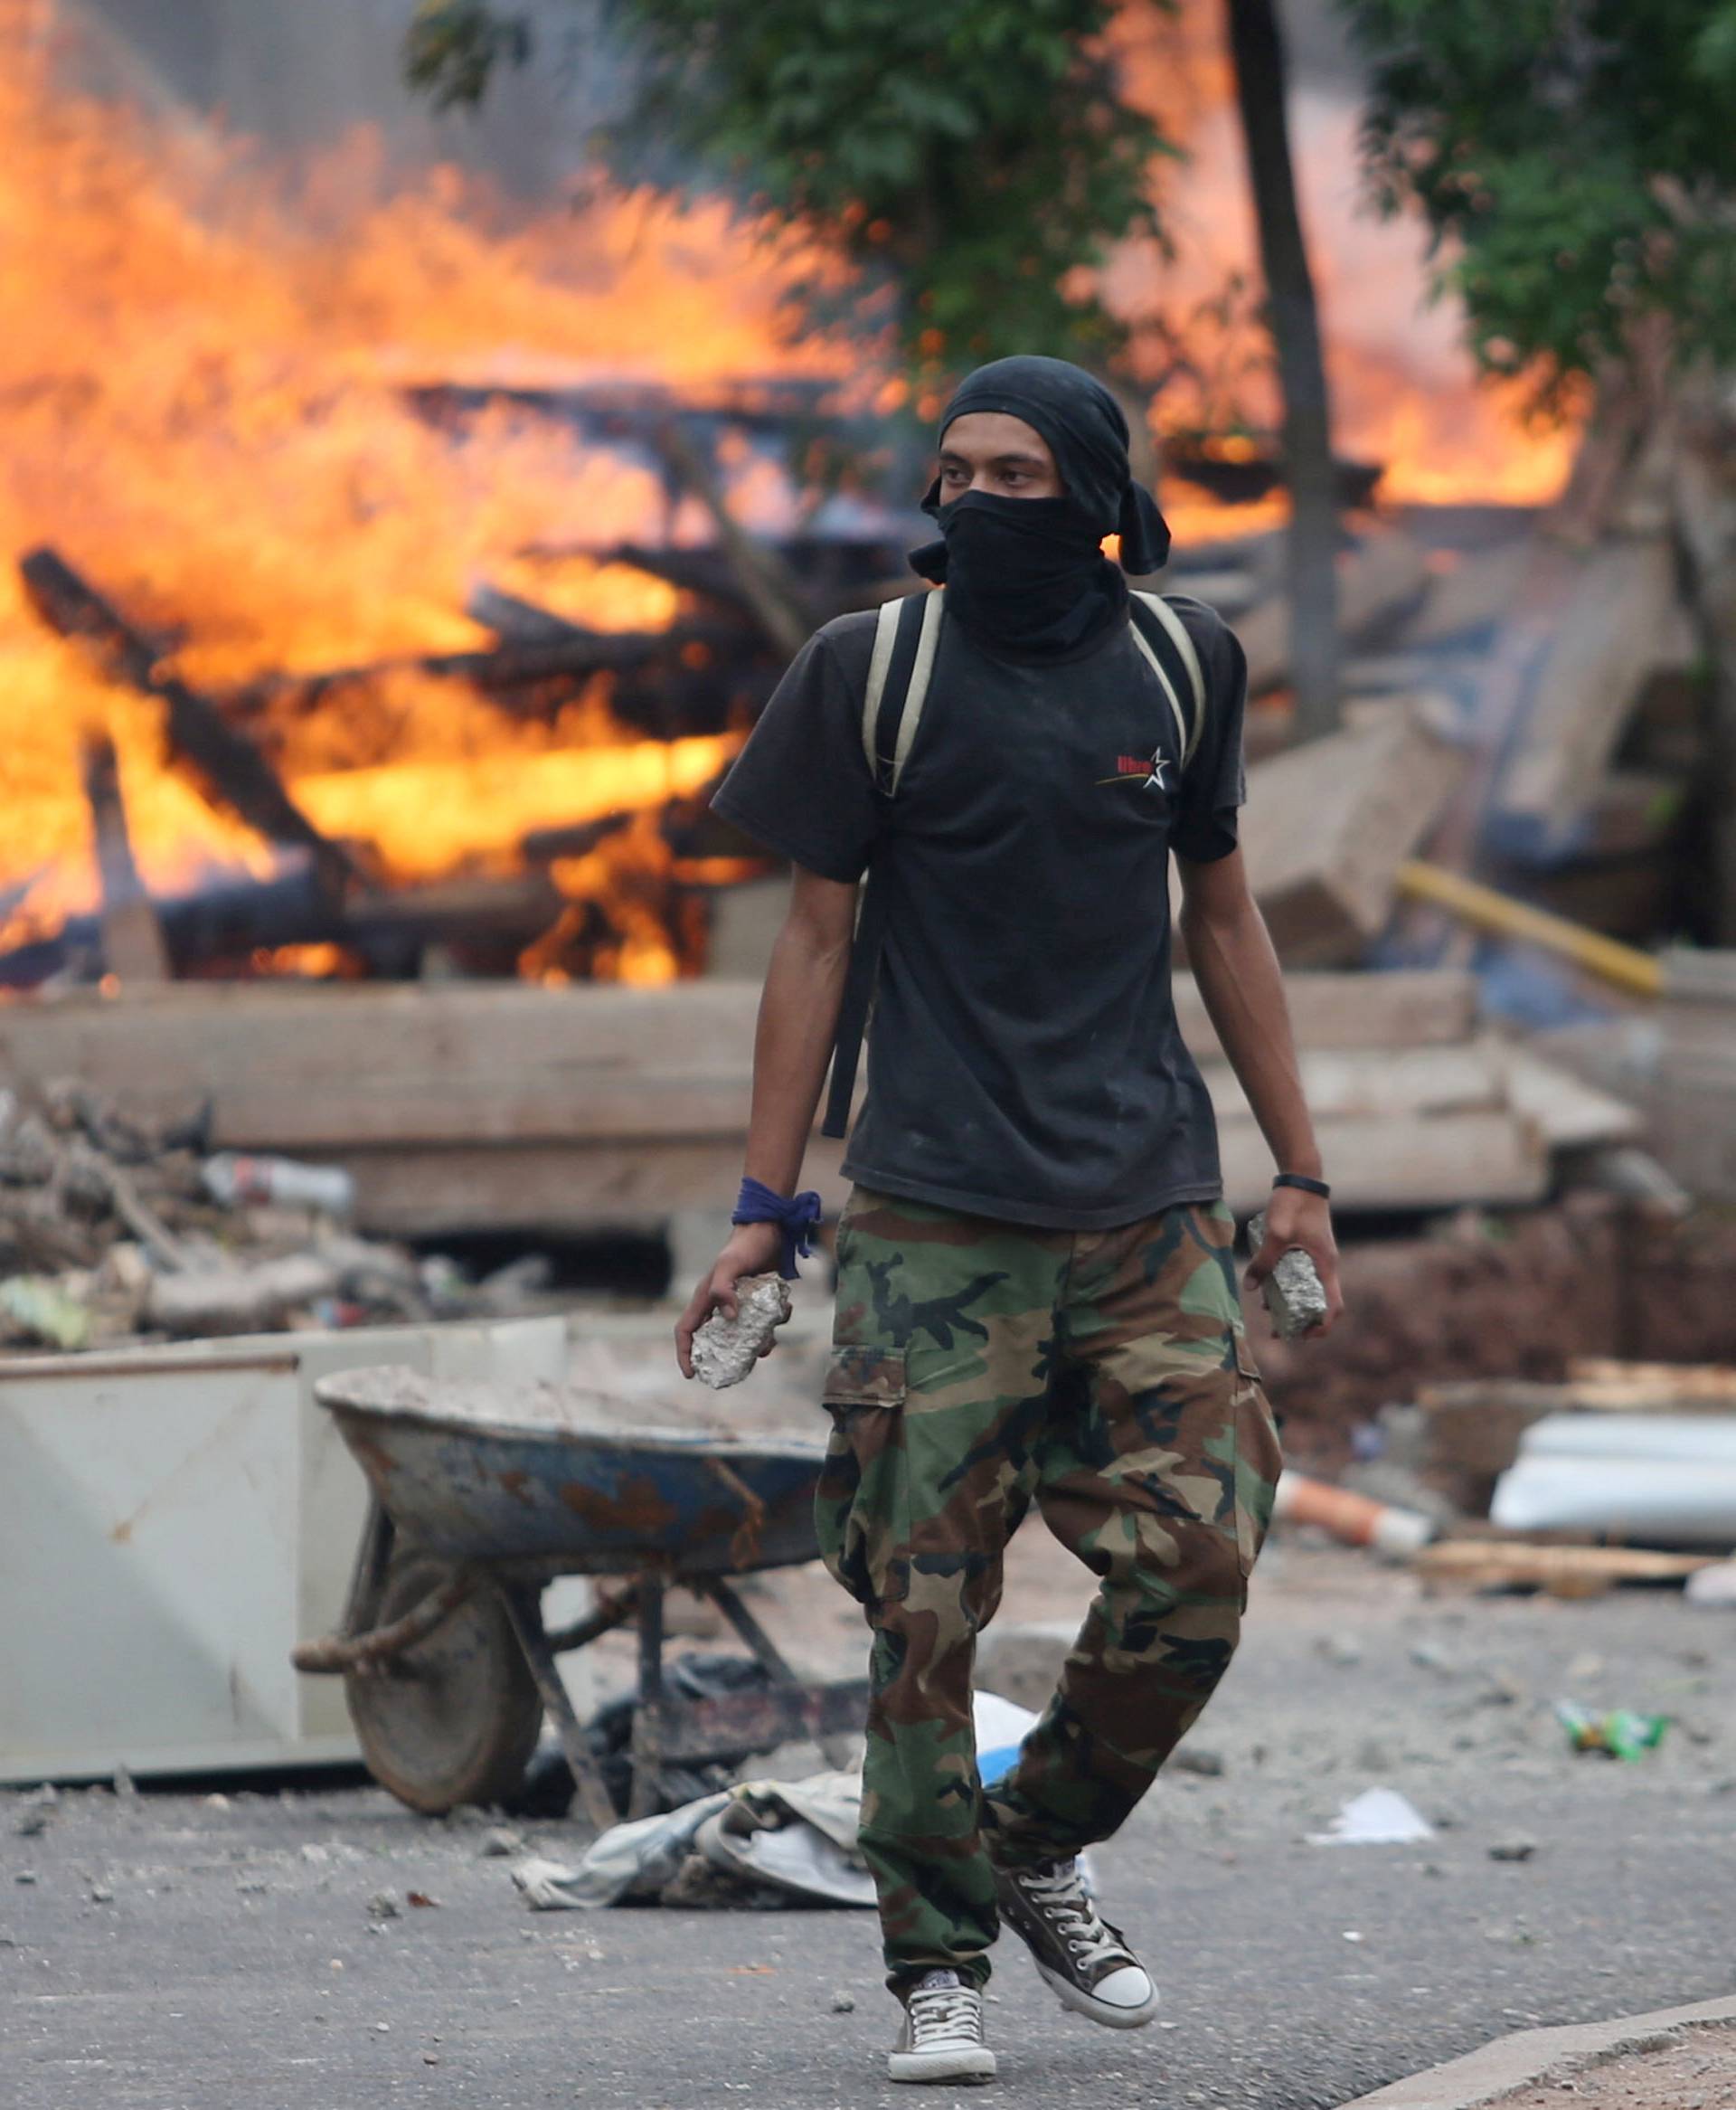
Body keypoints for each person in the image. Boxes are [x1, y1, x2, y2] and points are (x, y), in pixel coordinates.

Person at [675, 355, 1343, 2086]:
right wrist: (765, 1207)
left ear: (1102, 496)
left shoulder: (1183, 663)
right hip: (933, 1216)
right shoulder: (870, 671)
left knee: (1201, 1567)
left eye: (1019, 475)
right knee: (922, 1603)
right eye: (954, 471)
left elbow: (1227, 921)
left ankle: (1033, 1835)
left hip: (1147, 1205)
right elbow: (814, 941)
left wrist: (1304, 1171)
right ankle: (936, 1967)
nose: (975, 503)